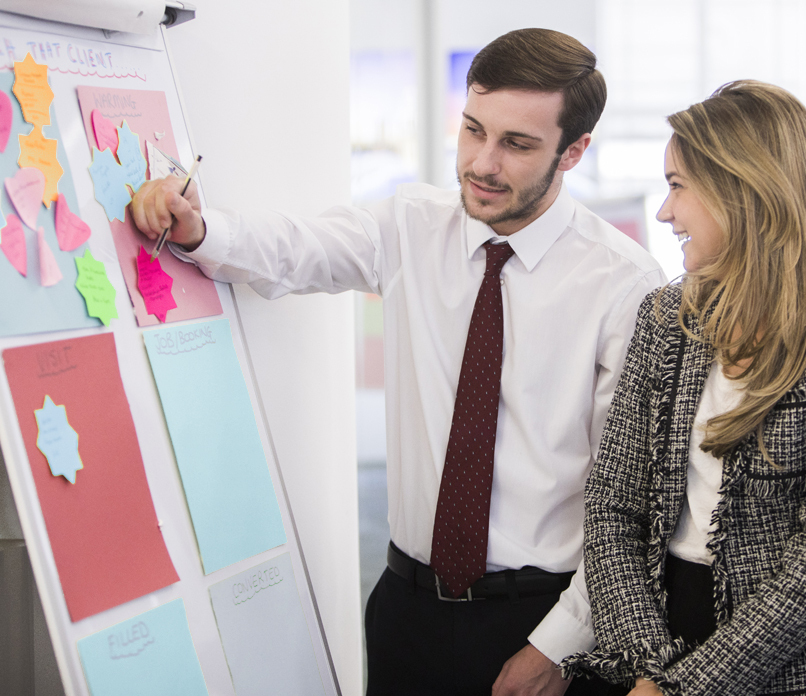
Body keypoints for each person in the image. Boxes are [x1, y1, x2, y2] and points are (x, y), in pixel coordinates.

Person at [130, 28, 664, 696]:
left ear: (574, 150)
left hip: (546, 621)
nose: (482, 163)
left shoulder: (626, 285)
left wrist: (558, 647)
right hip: (406, 612)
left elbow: (630, 499)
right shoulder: (410, 224)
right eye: (473, 130)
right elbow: (297, 248)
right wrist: (201, 229)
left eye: (517, 144)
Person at [560, 81, 806, 695]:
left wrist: (683, 689)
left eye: (677, 186)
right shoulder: (666, 316)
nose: (663, 213)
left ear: (744, 191)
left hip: (798, 673)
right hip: (655, 648)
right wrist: (649, 668)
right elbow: (612, 509)